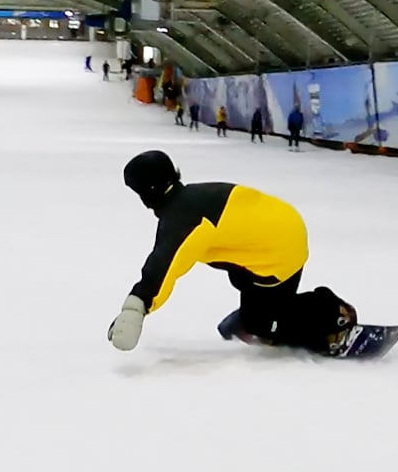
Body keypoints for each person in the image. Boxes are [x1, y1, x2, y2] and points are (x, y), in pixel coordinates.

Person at [107, 151, 357, 356]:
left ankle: (331, 316)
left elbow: (164, 267)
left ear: (146, 192)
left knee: (262, 325)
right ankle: (265, 315)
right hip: (281, 228)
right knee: (243, 284)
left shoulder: (183, 219)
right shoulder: (192, 196)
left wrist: (135, 309)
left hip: (277, 250)